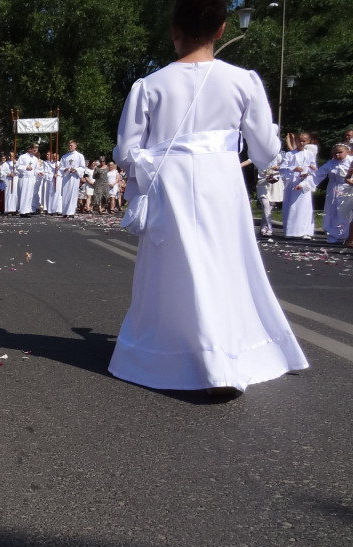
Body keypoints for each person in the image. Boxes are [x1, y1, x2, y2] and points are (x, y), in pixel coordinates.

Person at [109, 0, 307, 394]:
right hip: (221, 180)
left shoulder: (149, 85)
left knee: (173, 267)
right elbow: (266, 151)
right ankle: (227, 354)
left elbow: (126, 152)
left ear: (173, 31)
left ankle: (178, 351)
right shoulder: (242, 80)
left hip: (170, 181)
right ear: (220, 30)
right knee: (223, 262)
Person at [299, 143, 353, 243]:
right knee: (332, 211)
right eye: (335, 153)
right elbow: (317, 175)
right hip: (333, 190)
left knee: (345, 212)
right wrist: (304, 184)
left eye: (340, 152)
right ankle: (332, 234)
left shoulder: (351, 162)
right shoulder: (330, 164)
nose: (337, 155)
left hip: (347, 190)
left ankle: (346, 235)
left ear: (347, 152)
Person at [280, 132, 317, 239]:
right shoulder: (289, 154)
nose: (301, 143)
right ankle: (291, 230)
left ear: (308, 141)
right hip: (292, 183)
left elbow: (313, 167)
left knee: (305, 206)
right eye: (299, 141)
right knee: (293, 205)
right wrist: (293, 168)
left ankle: (305, 231)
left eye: (304, 141)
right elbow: (282, 168)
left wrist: (310, 171)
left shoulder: (310, 154)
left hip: (304, 182)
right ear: (296, 141)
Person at [256, 154, 284, 236]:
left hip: (274, 183)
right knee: (265, 204)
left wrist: (278, 168)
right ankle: (270, 227)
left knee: (269, 207)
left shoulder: (278, 156)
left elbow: (283, 167)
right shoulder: (259, 157)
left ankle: (263, 226)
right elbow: (257, 171)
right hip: (262, 183)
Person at [60, 140, 85, 217]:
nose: (70, 147)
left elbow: (83, 167)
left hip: (74, 178)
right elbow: (61, 167)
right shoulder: (65, 156)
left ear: (75, 146)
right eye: (69, 145)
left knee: (73, 194)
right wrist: (65, 169)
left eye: (71, 145)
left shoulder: (79, 156)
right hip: (66, 177)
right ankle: (65, 212)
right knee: (65, 194)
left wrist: (76, 170)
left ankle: (71, 212)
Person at [16, 144, 40, 216]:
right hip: (24, 178)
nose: (35, 151)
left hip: (32, 178)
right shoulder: (23, 157)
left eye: (36, 150)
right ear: (30, 149)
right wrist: (26, 167)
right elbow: (18, 166)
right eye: (34, 149)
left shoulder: (35, 159)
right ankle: (22, 211)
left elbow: (36, 169)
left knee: (30, 195)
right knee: (24, 194)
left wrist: (39, 173)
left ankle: (27, 210)